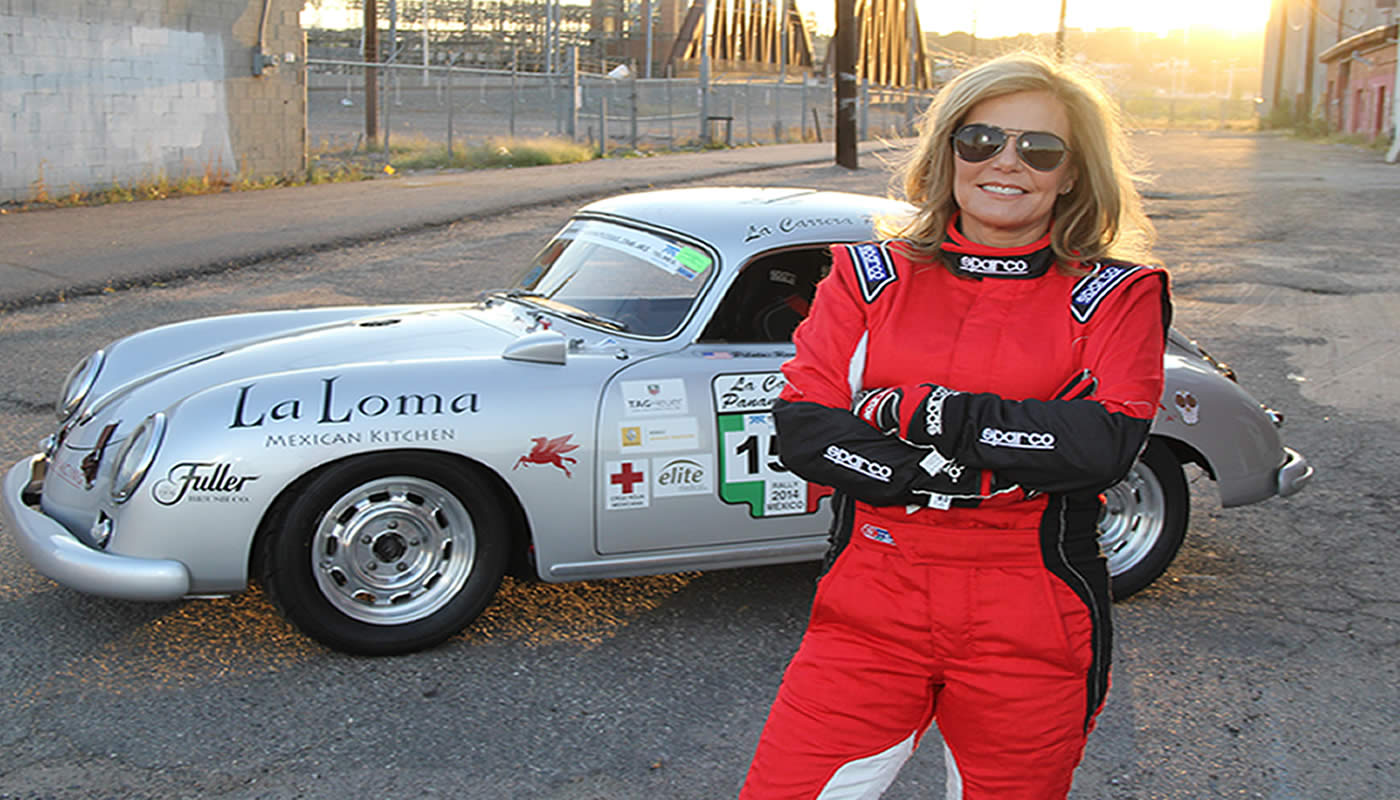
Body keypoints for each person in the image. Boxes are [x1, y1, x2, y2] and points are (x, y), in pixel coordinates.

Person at [739, 51, 1171, 799]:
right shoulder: (866, 274)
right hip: (870, 602)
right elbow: (806, 430)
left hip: (1034, 612)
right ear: (947, 152)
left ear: (1073, 173)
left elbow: (1100, 446)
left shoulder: (1117, 294)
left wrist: (917, 411)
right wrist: (946, 473)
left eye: (1040, 149)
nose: (1006, 163)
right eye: (980, 141)